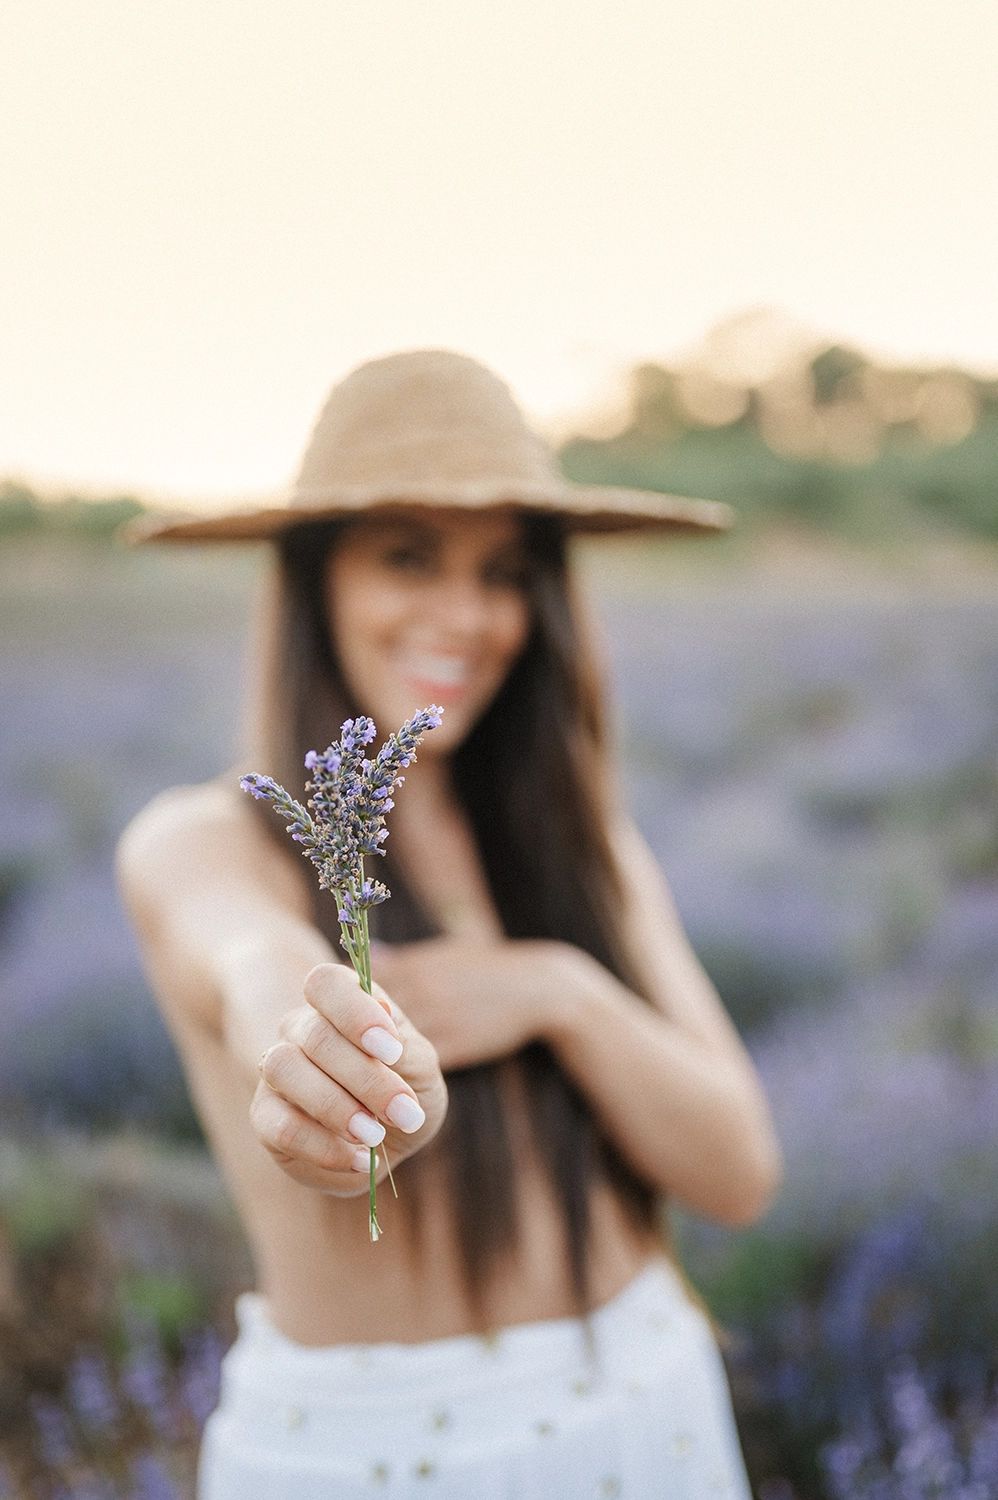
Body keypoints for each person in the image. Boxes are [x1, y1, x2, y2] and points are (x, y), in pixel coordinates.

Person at [117, 350, 783, 1500]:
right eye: (408, 557)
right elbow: (252, 960)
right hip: (380, 1458)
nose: (466, 617)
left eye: (504, 573)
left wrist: (555, 992)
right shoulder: (203, 841)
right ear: (315, 579)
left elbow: (737, 1175)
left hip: (650, 1405)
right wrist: (315, 1051)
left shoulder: (583, 844)